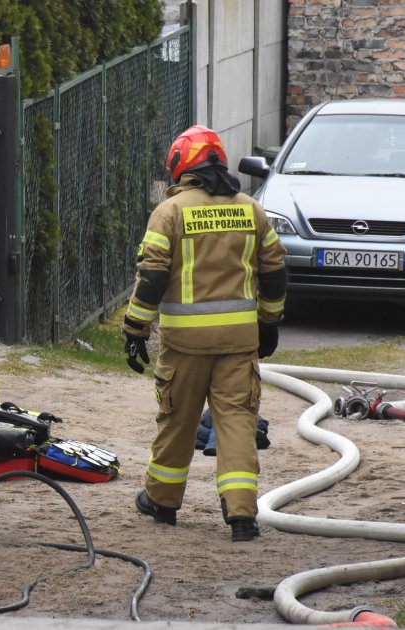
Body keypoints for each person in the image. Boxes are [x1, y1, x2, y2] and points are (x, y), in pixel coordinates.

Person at [121, 125, 286, 542]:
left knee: (177, 420)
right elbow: (274, 272)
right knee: (238, 423)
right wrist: (269, 322)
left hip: (185, 344)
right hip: (239, 343)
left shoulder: (170, 212)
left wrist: (135, 329)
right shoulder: (251, 210)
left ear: (180, 166)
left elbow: (152, 277)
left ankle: (162, 502)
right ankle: (242, 515)